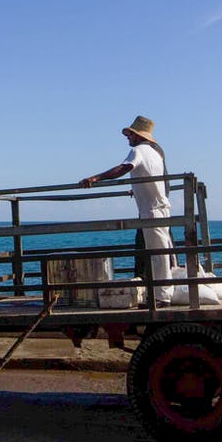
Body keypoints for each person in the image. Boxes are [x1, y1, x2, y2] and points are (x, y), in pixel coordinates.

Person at [79, 115, 173, 304]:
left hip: (151, 210)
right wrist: (137, 189)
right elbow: (153, 178)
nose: (128, 137)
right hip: (159, 207)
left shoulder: (139, 150)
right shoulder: (156, 153)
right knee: (160, 252)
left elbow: (123, 169)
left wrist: (95, 178)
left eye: (130, 134)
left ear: (138, 136)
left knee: (157, 254)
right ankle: (160, 293)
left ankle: (163, 296)